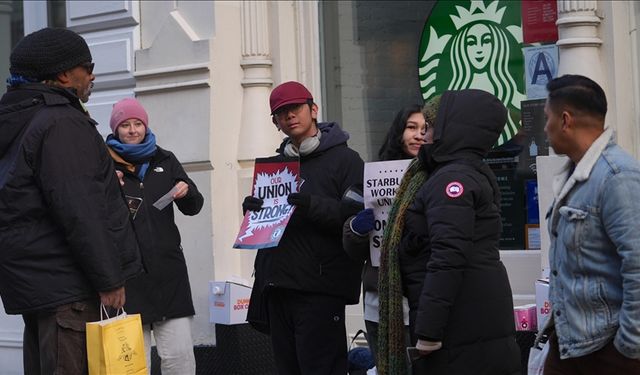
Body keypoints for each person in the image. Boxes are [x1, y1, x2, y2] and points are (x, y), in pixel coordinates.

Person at [0, 27, 142, 374]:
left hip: (41, 287)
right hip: (70, 291)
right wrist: (109, 280)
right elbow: (81, 210)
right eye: (87, 66)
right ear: (65, 74)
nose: (92, 75)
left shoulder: (20, 119)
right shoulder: (60, 122)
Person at [382, 89, 521, 375]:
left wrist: (429, 333)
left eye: (432, 127)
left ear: (453, 130)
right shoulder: (462, 172)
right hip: (470, 319)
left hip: (460, 325)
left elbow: (448, 256)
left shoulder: (452, 180)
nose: (425, 135)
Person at [243, 81, 364, 375]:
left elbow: (356, 217)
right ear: (275, 122)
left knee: (321, 368)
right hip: (277, 285)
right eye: (281, 113)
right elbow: (266, 229)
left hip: (320, 288)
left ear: (313, 109)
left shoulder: (346, 159)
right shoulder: (273, 167)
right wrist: (253, 214)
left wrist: (311, 205)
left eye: (295, 108)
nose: (290, 116)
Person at [542, 75, 640, 374]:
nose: (545, 128)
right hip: (571, 342)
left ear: (565, 120)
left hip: (607, 352)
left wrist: (628, 348)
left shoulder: (616, 177)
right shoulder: (575, 174)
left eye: (547, 118)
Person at [107, 98, 204, 375]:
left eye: (137, 123)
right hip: (126, 283)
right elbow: (91, 214)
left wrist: (189, 192)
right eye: (125, 125)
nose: (133, 130)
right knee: (132, 368)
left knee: (180, 361)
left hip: (169, 279)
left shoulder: (165, 159)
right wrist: (107, 188)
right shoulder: (103, 164)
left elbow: (194, 207)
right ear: (116, 130)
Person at [342, 104, 434, 365]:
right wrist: (356, 229)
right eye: (411, 127)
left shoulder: (439, 176)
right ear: (399, 133)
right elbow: (354, 249)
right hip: (379, 303)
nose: (418, 135)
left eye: (424, 129)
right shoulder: (375, 176)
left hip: (422, 300)